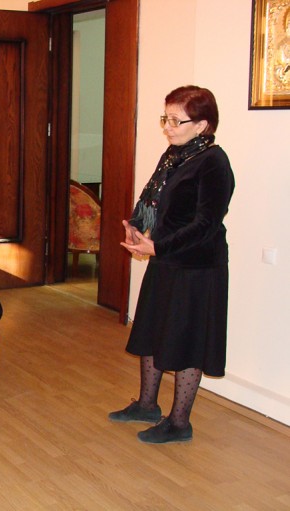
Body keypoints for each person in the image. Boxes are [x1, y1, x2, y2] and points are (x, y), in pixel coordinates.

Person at [108, 85, 235, 444]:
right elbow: (154, 200)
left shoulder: (214, 163)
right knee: (152, 330)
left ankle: (179, 423)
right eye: (165, 118)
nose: (167, 126)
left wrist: (158, 246)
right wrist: (138, 230)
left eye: (176, 120)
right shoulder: (174, 155)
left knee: (187, 340)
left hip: (197, 267)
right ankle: (147, 405)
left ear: (202, 125)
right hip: (165, 258)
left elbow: (206, 224)